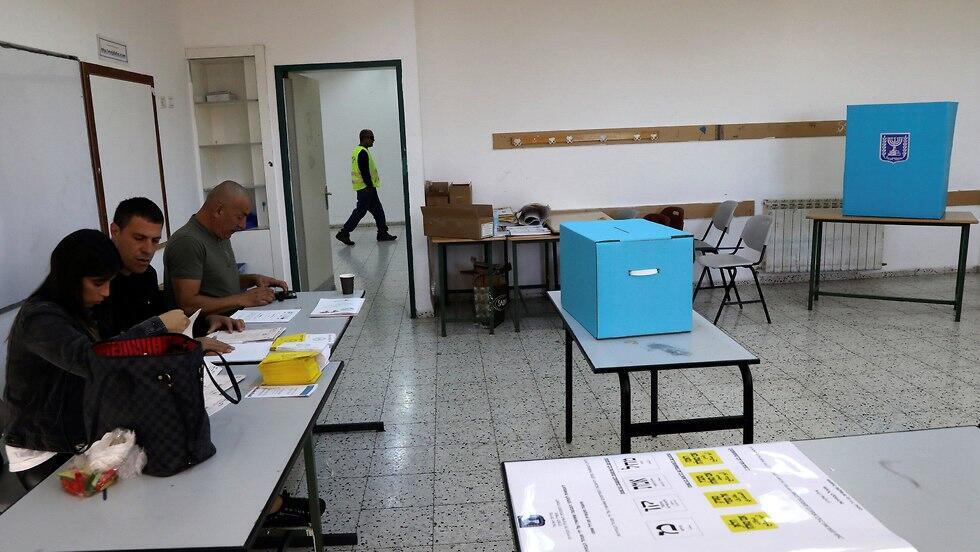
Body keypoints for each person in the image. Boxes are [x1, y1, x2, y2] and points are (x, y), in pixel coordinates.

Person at [2, 229, 188, 491]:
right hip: (44, 450)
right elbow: (95, 360)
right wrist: (157, 326)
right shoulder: (40, 318)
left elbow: (115, 349)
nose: (106, 292)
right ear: (70, 278)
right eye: (98, 283)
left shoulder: (80, 309)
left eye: (109, 282)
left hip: (81, 436)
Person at [99, 197, 243, 351]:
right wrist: (184, 347)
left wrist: (205, 322)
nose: (148, 250)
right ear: (115, 231)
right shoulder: (98, 283)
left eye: (155, 241)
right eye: (139, 238)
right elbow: (109, 350)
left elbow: (162, 323)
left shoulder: (147, 274)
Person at [164, 181, 289, 316]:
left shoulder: (220, 233)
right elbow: (188, 305)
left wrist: (253, 279)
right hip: (209, 328)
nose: (243, 225)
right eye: (239, 217)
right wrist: (242, 299)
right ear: (219, 210)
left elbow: (215, 284)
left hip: (235, 320)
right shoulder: (188, 242)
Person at [335, 129, 397, 245]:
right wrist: (370, 187)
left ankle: (382, 233)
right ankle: (344, 232)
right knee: (360, 211)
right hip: (366, 188)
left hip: (365, 187)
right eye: (371, 138)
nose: (373, 140)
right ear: (365, 138)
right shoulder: (362, 152)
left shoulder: (357, 150)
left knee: (378, 211)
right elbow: (364, 172)